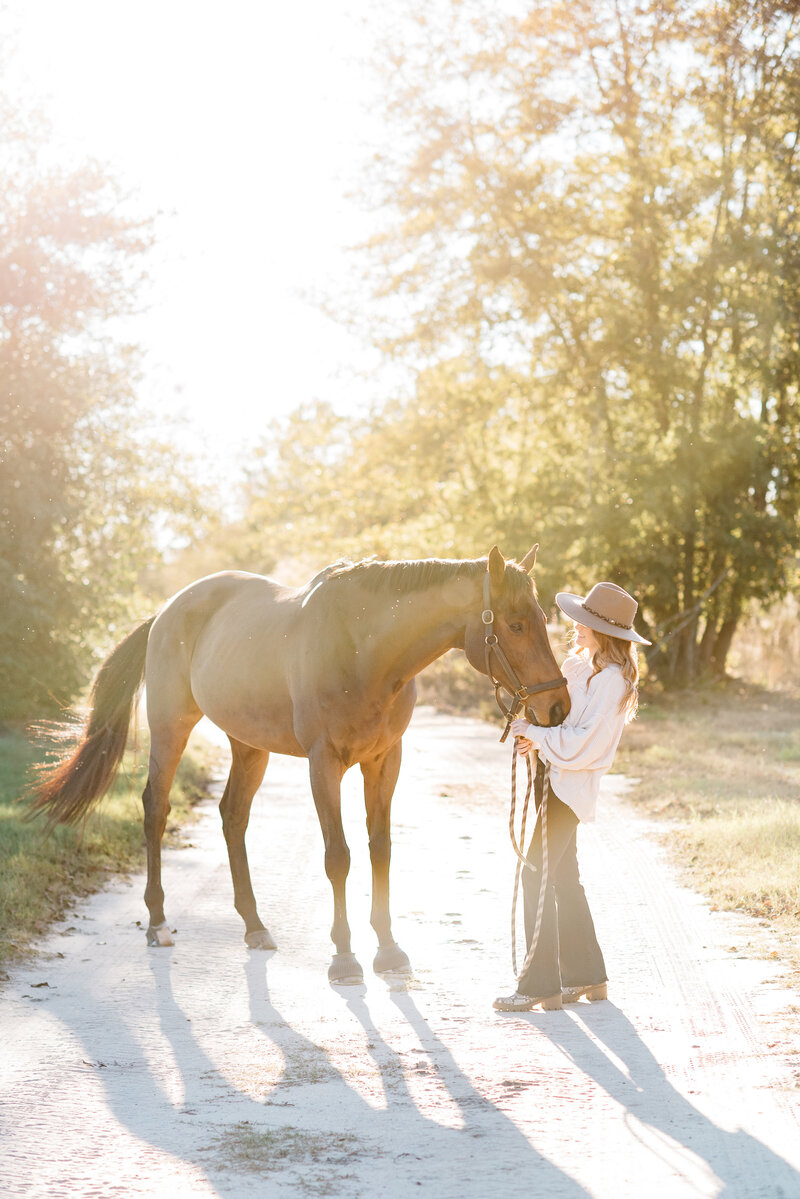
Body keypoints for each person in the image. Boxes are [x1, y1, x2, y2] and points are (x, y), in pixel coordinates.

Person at [493, 580, 651, 1013]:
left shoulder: (614, 682)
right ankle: (587, 976)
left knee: (535, 874)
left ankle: (539, 984)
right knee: (562, 878)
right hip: (555, 777)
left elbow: (586, 744)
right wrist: (537, 737)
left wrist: (539, 737)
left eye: (584, 624)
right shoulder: (581, 666)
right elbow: (558, 718)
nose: (574, 627)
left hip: (570, 786)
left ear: (606, 633)